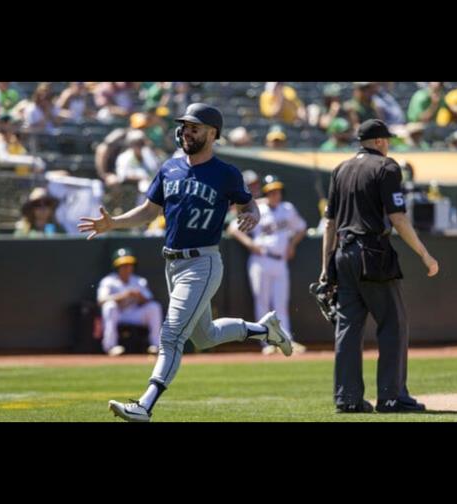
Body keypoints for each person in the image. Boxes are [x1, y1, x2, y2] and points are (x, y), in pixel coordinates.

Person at [79, 103, 295, 422]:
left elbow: (249, 204)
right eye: (185, 126)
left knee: (171, 335)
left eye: (194, 127)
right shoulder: (170, 167)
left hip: (202, 263)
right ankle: (265, 330)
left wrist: (253, 215)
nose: (186, 132)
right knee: (204, 336)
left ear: (212, 133)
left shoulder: (226, 173)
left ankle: (145, 405)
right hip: (173, 264)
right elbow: (150, 211)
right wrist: (114, 223)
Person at [321, 118, 440, 414]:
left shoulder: (340, 169)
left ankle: (347, 399)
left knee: (348, 329)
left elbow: (330, 224)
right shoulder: (386, 168)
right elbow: (397, 218)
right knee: (393, 324)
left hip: (343, 254)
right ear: (378, 142)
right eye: (386, 139)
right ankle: (392, 396)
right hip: (372, 252)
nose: (388, 144)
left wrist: (326, 267)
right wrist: (425, 254)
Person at [227, 174, 308, 355]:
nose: (275, 194)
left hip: (280, 261)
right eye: (271, 191)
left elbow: (301, 227)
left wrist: (293, 244)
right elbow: (233, 228)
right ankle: (266, 343)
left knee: (281, 303)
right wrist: (250, 244)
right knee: (262, 302)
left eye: (277, 191)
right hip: (261, 259)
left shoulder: (287, 209)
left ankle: (287, 340)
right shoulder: (258, 209)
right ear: (265, 192)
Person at [97, 248, 162, 356]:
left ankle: (156, 345)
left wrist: (139, 296)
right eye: (123, 265)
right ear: (117, 267)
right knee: (109, 307)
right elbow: (101, 300)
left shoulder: (139, 281)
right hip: (118, 313)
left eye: (129, 265)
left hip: (134, 313)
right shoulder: (108, 281)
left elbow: (149, 300)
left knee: (154, 307)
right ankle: (110, 347)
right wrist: (123, 296)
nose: (127, 268)